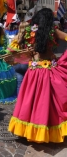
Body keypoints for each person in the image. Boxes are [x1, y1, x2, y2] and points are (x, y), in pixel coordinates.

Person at [8, 8, 67, 143]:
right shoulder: (53, 31)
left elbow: (12, 48)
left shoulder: (30, 31)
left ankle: (27, 129)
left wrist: (27, 50)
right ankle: (47, 128)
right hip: (48, 71)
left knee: (30, 100)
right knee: (48, 102)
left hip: (33, 72)